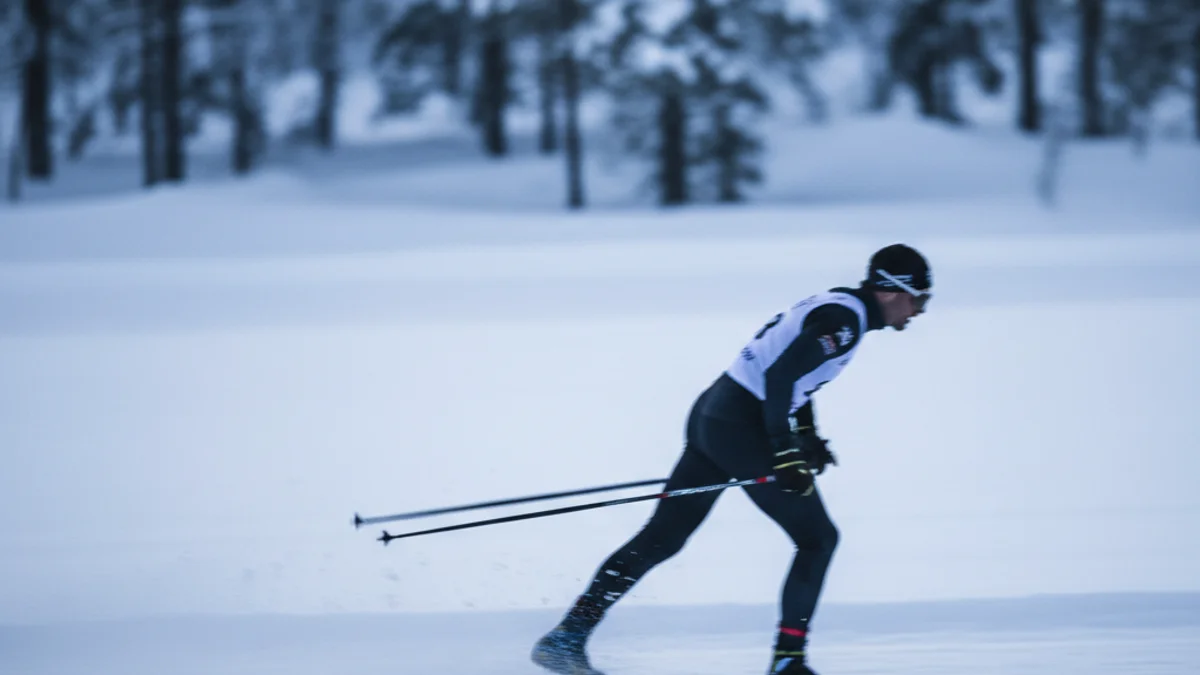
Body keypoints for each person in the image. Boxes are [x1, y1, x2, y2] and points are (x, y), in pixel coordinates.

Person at [530, 244, 933, 675]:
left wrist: (807, 437)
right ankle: (788, 663)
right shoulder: (844, 323)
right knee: (818, 540)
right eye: (919, 299)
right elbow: (780, 377)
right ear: (893, 291)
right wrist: (784, 449)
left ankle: (566, 637)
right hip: (742, 426)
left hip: (717, 414)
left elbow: (795, 381)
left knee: (661, 539)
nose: (919, 311)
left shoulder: (839, 306)